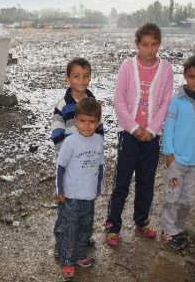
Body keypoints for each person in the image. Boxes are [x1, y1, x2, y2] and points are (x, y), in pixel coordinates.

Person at [105, 23, 173, 247]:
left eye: (154, 44)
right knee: (121, 183)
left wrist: (152, 130)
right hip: (129, 136)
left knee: (146, 182)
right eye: (145, 44)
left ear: (159, 44)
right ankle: (113, 226)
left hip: (151, 139)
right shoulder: (127, 66)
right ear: (137, 44)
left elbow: (165, 102)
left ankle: (141, 221)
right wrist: (134, 128)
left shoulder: (166, 69)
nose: (150, 49)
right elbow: (119, 100)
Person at [51, 57, 104, 259]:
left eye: (85, 76)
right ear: (68, 79)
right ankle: (62, 240)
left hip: (86, 166)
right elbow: (56, 131)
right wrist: (67, 151)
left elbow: (99, 130)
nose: (81, 80)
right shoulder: (63, 105)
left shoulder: (93, 102)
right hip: (70, 162)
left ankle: (81, 238)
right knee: (66, 210)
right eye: (76, 76)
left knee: (83, 210)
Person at [161, 55, 195, 249]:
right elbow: (168, 127)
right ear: (185, 76)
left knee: (187, 199)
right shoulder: (177, 101)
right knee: (172, 197)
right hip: (177, 160)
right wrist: (168, 153)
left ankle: (179, 228)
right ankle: (168, 231)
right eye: (191, 76)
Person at [55, 97, 104, 281]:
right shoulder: (70, 142)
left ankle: (80, 254)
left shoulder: (98, 140)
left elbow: (100, 165)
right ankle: (67, 261)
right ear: (75, 120)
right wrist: (59, 190)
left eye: (91, 122)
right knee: (70, 229)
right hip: (71, 196)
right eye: (82, 121)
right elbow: (60, 166)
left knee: (85, 228)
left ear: (97, 123)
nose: (87, 126)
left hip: (89, 196)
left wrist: (99, 186)